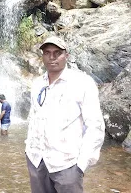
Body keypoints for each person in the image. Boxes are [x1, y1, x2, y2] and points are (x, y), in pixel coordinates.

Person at [25, 36, 105, 193]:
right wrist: (29, 149)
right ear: (42, 56)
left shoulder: (82, 83)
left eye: (57, 53)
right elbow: (33, 117)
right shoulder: (37, 84)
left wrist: (81, 164)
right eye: (47, 53)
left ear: (66, 55)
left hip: (67, 164)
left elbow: (95, 125)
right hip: (36, 160)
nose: (52, 57)